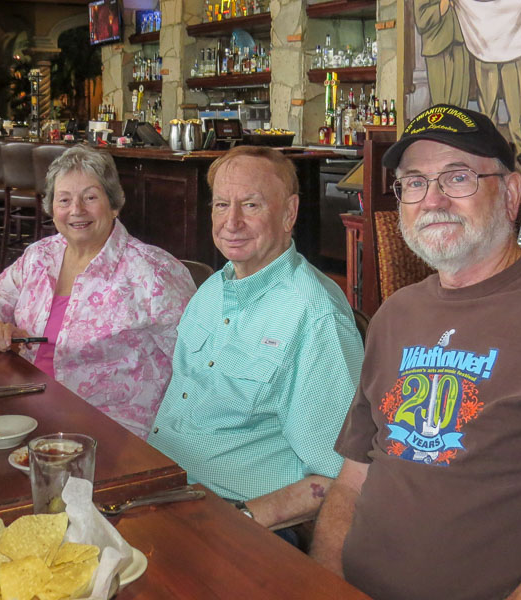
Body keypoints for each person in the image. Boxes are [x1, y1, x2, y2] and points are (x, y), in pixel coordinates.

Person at [311, 104, 521, 599]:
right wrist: (324, 585)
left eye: (458, 177)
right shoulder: (394, 316)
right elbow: (350, 484)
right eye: (414, 183)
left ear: (511, 194)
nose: (432, 200)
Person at [149, 146, 364, 535]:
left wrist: (240, 521)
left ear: (289, 213)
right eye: (220, 205)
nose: (231, 223)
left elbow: (341, 477)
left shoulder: (315, 317)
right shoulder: (215, 288)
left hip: (235, 517)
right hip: (163, 488)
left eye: (250, 205)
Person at [0, 145, 195, 438]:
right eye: (65, 200)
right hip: (27, 406)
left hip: (112, 430)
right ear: (51, 207)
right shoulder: (40, 256)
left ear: (114, 204)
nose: (76, 210)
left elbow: (195, 367)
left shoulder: (153, 272)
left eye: (90, 198)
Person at [453, 0, 521, 188]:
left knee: (517, 104)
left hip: (512, 28)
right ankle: (486, 158)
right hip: (482, 28)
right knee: (487, 109)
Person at [413, 0, 470, 108]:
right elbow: (421, 20)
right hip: (437, 48)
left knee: (461, 107)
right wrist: (441, 7)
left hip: (460, 43)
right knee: (440, 107)